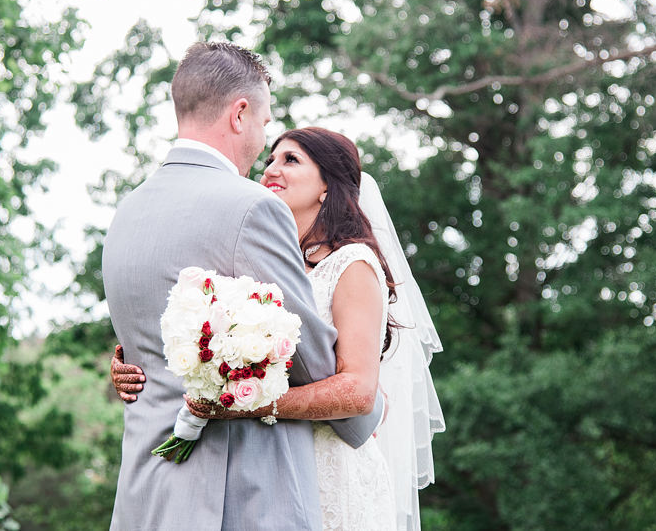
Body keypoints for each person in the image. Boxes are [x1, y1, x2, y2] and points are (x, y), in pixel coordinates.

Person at [101, 42, 384, 531]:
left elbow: (144, 341)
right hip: (238, 498)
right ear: (239, 114)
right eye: (265, 123)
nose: (265, 150)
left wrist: (126, 365)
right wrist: (370, 406)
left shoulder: (126, 212)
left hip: (143, 493)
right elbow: (310, 357)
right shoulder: (252, 208)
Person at [113, 127, 445, 531]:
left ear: (328, 187)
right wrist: (145, 357)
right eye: (270, 159)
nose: (271, 169)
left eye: (291, 160)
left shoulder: (352, 265)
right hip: (267, 480)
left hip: (332, 470)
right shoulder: (257, 261)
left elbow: (359, 391)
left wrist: (247, 403)